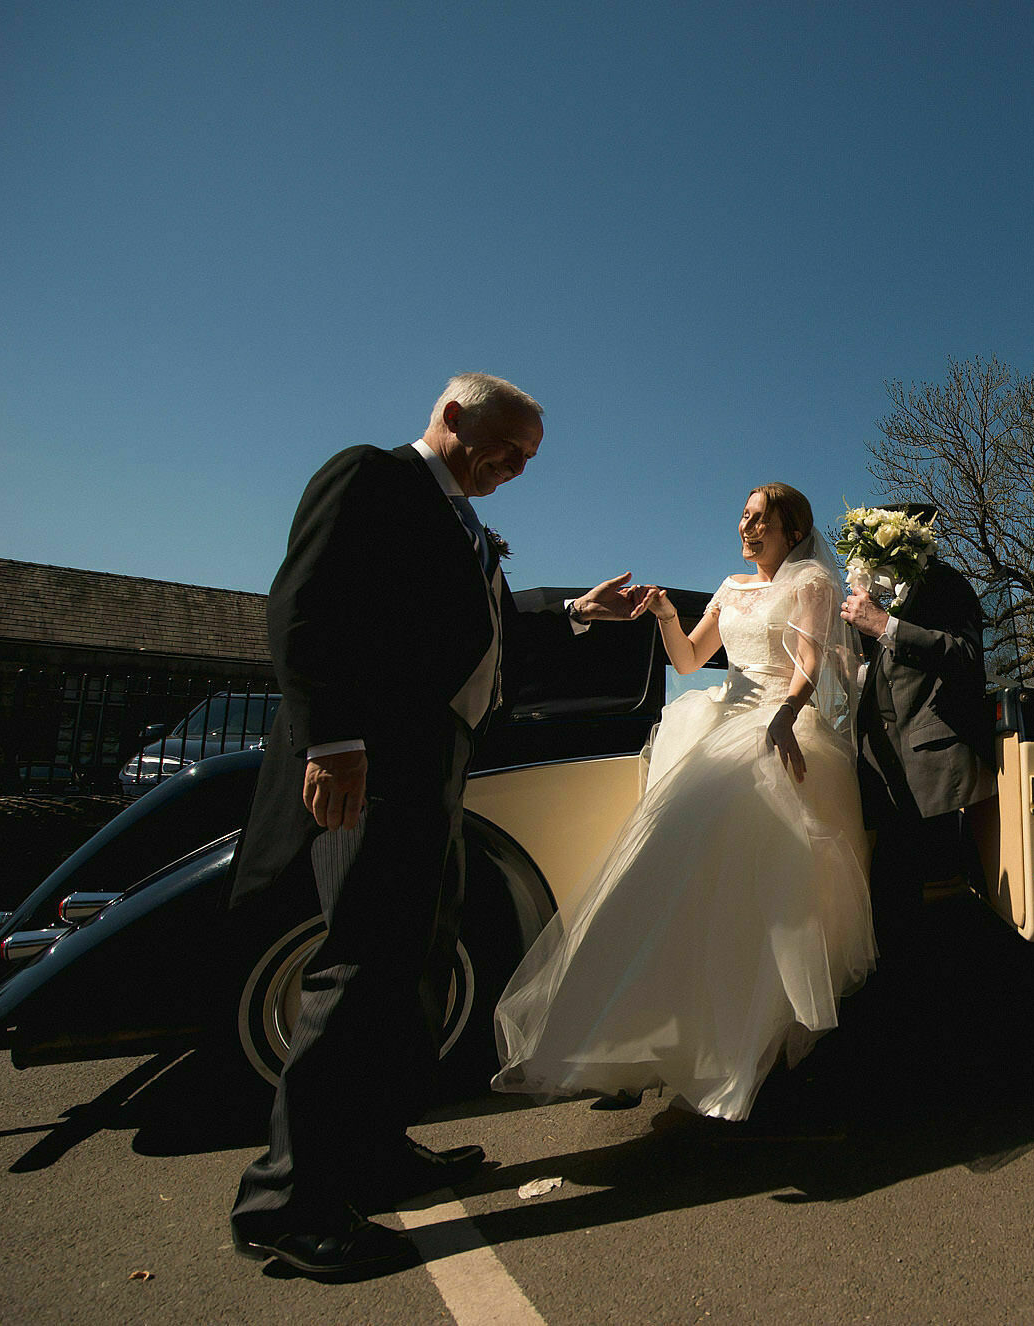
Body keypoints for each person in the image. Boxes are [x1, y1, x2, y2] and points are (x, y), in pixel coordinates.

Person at [230, 374, 641, 1279]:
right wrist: (333, 741)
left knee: (418, 964)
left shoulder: (465, 530)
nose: (516, 468)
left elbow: (487, 637)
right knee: (361, 967)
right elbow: (303, 605)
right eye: (507, 446)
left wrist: (574, 613)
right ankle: (283, 1203)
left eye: (529, 460)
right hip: (369, 768)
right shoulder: (373, 479)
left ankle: (374, 1147)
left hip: (436, 774)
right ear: (453, 415)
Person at [492, 484, 872, 1120]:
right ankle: (638, 1038)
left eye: (759, 520)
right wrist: (666, 614)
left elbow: (809, 660)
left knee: (773, 887)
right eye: (744, 517)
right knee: (677, 877)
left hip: (778, 722)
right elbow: (691, 660)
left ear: (790, 529)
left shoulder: (810, 583)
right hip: (722, 721)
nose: (746, 528)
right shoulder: (728, 588)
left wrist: (786, 714)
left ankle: (760, 1045)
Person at [838, 503, 993, 964]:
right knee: (894, 901)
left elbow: (966, 657)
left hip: (929, 770)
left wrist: (885, 626)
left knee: (931, 909)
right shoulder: (892, 595)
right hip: (887, 774)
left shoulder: (946, 584)